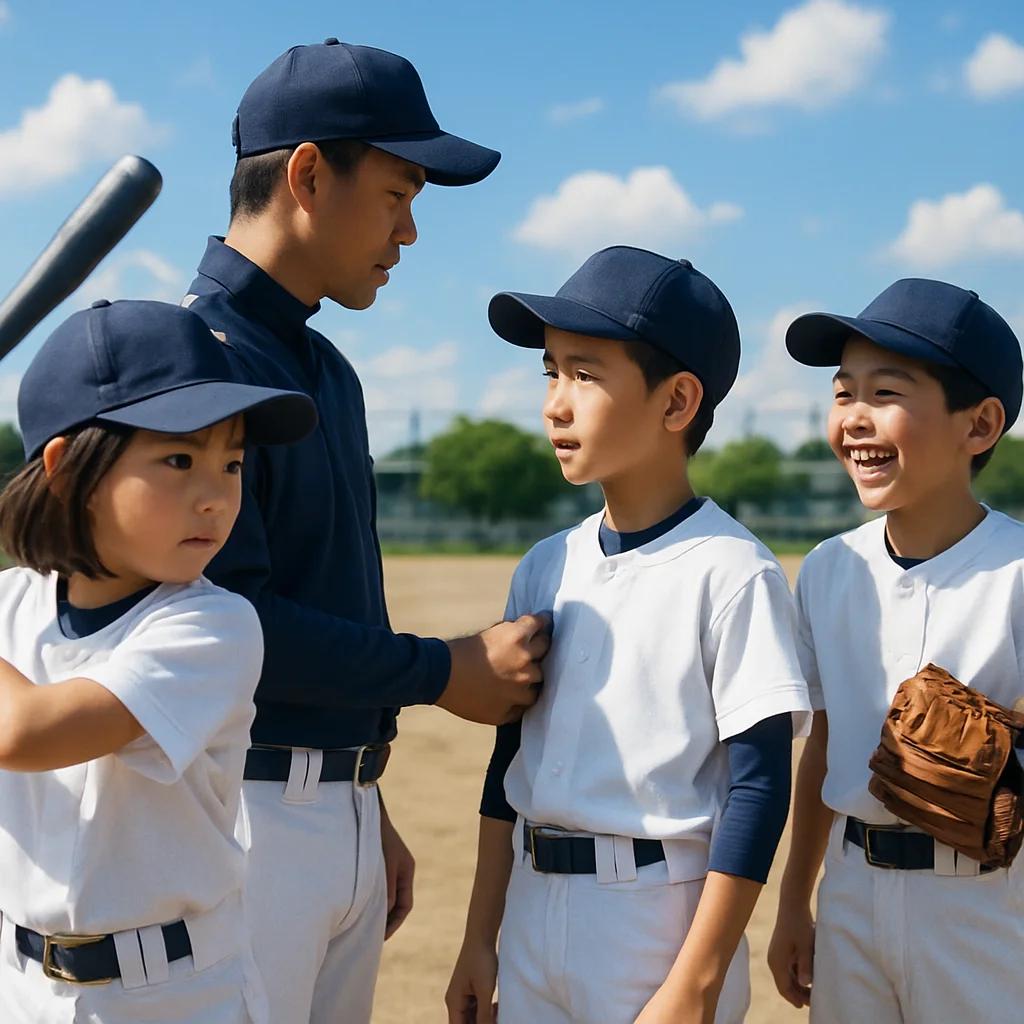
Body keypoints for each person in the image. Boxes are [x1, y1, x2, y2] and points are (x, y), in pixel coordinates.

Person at [184, 38, 549, 1024]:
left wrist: (364, 792)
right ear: (308, 173)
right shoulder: (189, 361)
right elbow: (231, 628)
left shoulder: (327, 369)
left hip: (334, 807)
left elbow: (328, 593)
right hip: (241, 813)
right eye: (397, 193)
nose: (411, 230)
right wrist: (442, 670)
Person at [446, 246, 812, 1024]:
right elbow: (508, 764)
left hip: (656, 918)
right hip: (534, 905)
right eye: (550, 371)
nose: (555, 403)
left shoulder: (732, 570)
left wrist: (696, 984)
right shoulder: (547, 564)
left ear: (678, 401)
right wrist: (482, 936)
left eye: (585, 373)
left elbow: (759, 788)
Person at [0, 299, 316, 1023]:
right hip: (19, 987)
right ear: (64, 469)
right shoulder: (10, 606)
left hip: (173, 993)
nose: (216, 498)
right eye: (179, 459)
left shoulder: (212, 623)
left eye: (232, 463)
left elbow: (28, 733)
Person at [768, 278, 1024, 1023]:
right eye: (844, 392)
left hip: (986, 903)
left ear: (978, 426)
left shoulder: (1014, 571)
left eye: (886, 392)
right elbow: (821, 750)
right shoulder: (828, 568)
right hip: (850, 892)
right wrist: (795, 902)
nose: (855, 418)